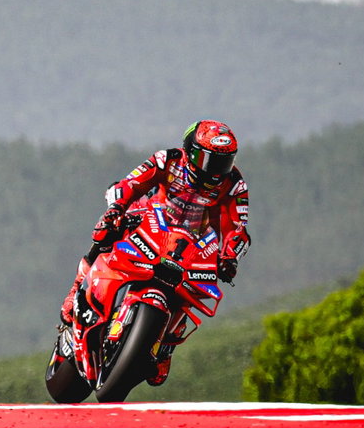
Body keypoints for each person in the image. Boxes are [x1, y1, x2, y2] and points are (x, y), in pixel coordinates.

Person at [58, 119, 251, 385]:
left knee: (199, 288)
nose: (216, 170)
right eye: (208, 159)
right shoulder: (167, 160)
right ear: (190, 150)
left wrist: (230, 257)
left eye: (223, 162)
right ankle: (77, 287)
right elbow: (131, 183)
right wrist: (116, 209)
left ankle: (165, 344)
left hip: (192, 244)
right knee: (106, 231)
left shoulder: (235, 185)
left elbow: (237, 229)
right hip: (149, 218)